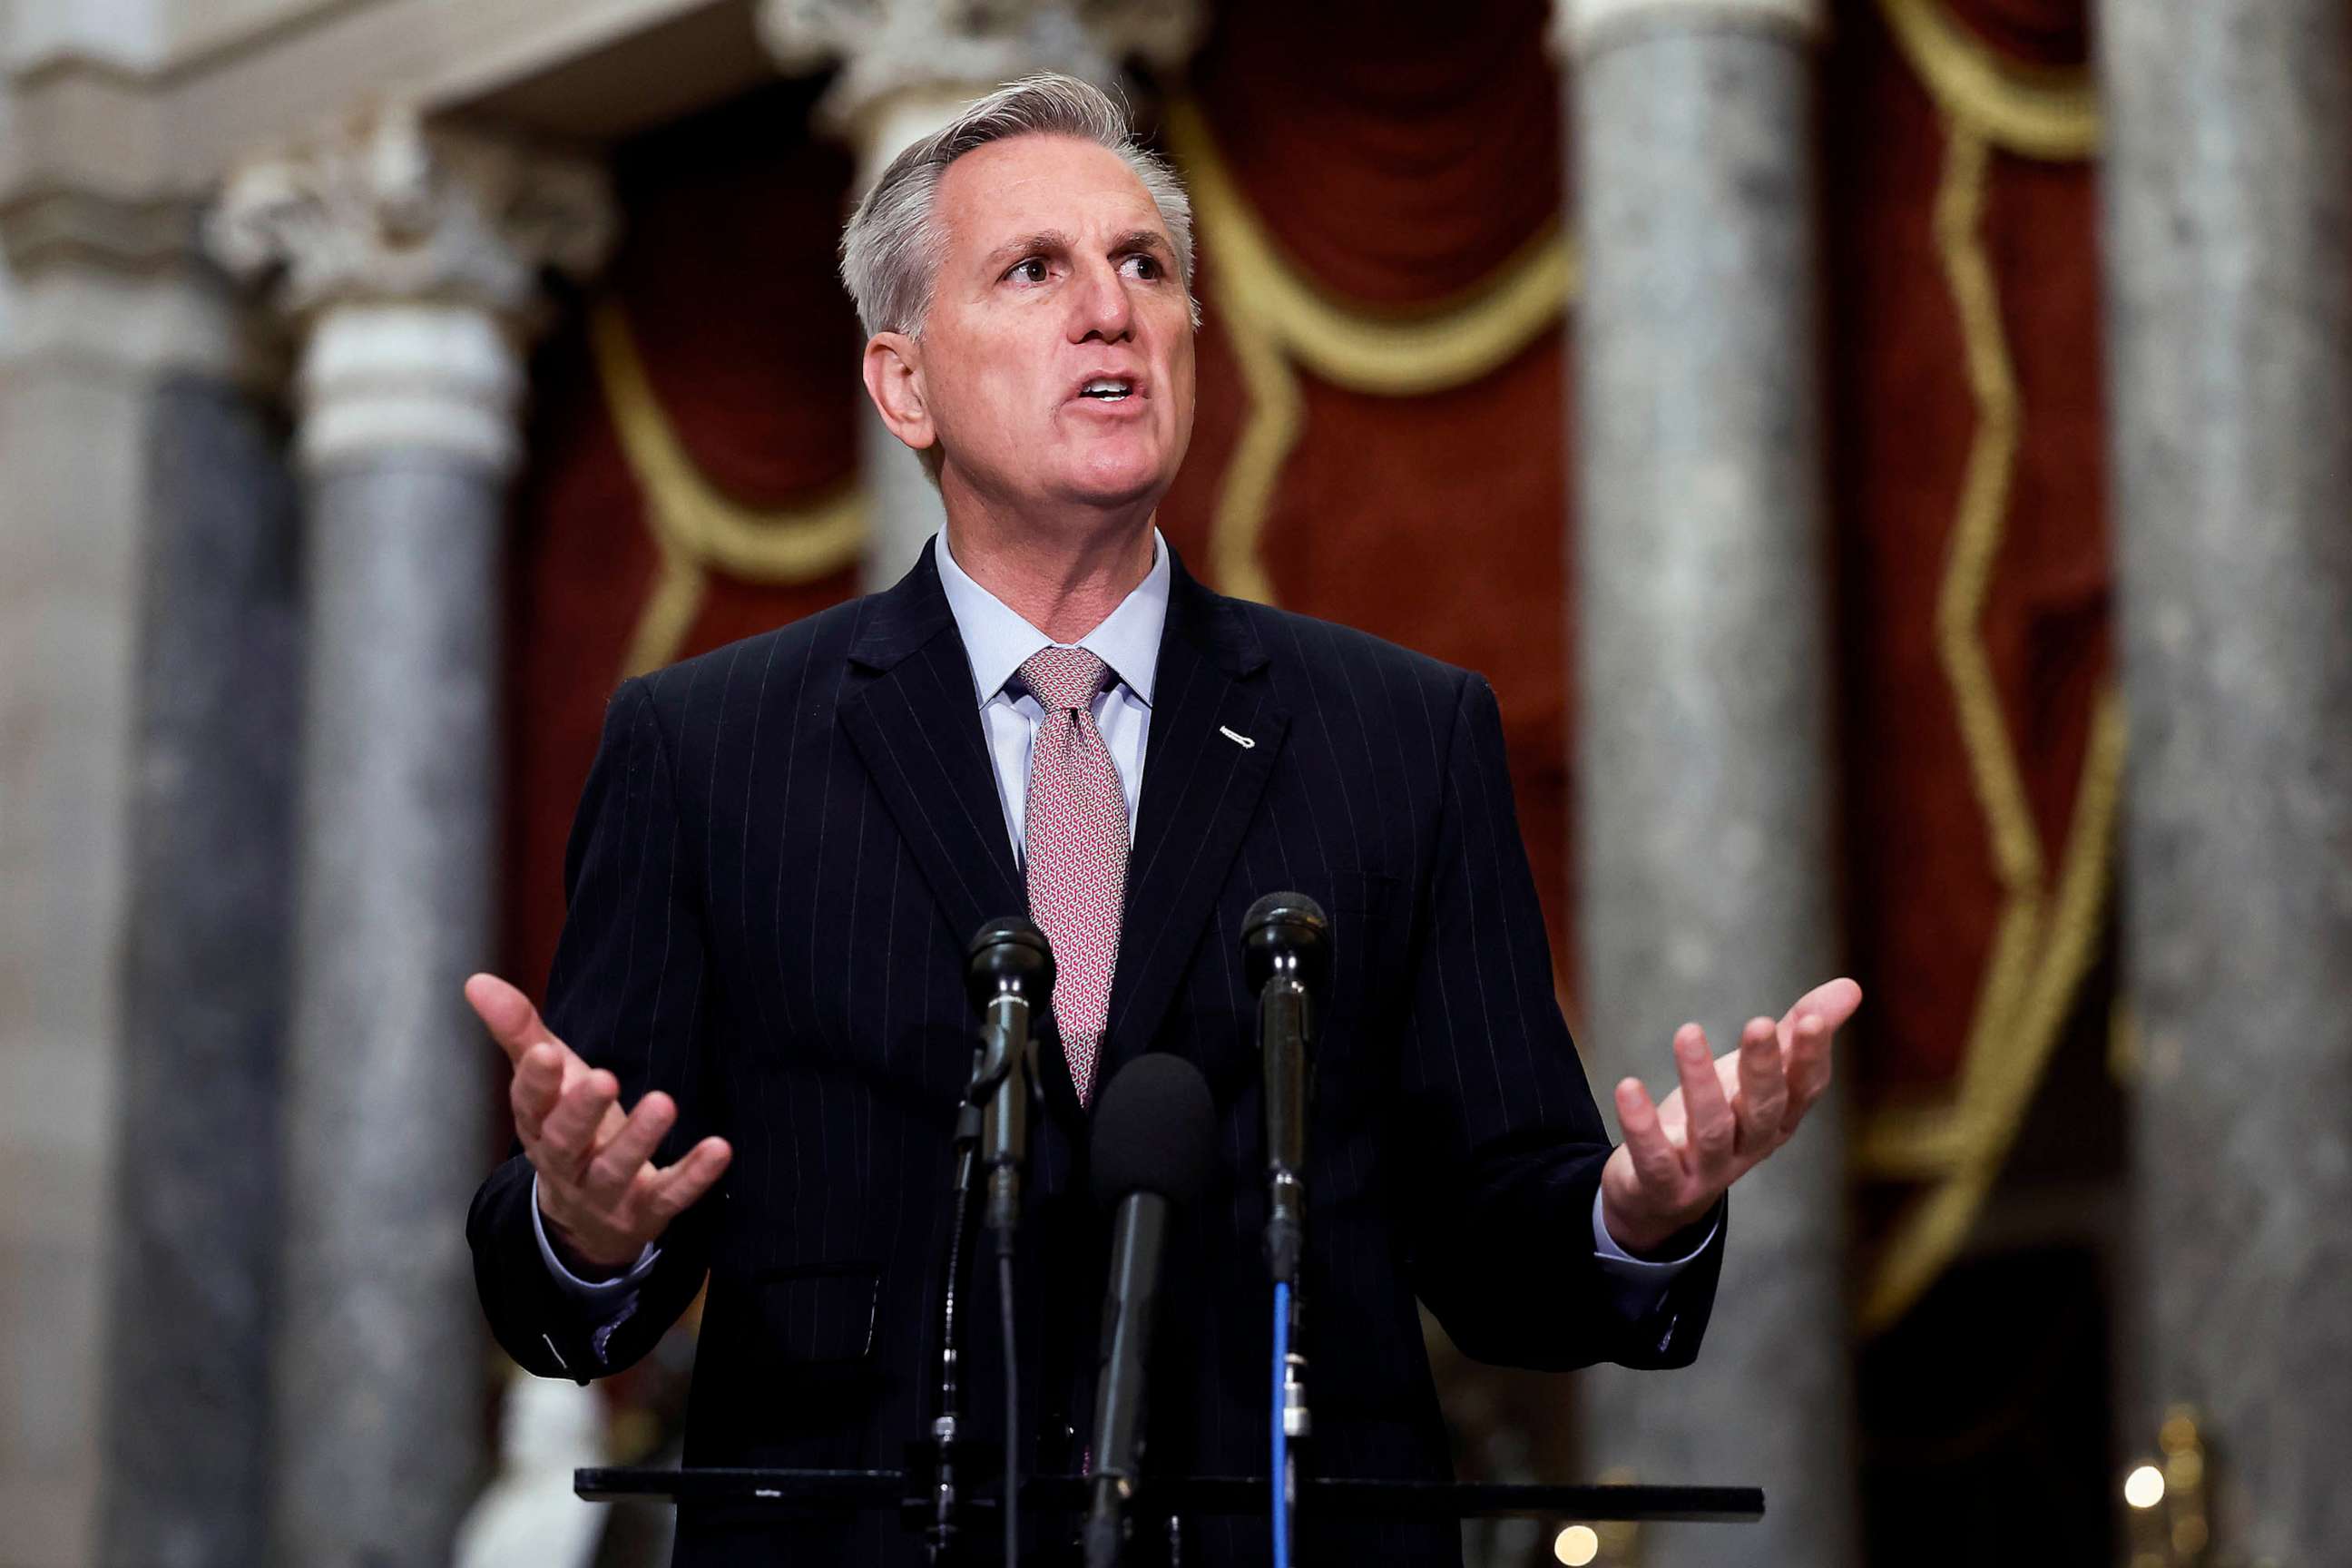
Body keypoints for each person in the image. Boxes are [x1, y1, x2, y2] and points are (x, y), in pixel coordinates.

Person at [465, 73, 1859, 1567]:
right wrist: (587, 1230)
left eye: (1146, 267)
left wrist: (1632, 1217)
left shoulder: (1401, 737)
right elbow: (575, 1273)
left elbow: (1500, 1247)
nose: (1111, 310)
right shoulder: (706, 751)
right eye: (1034, 271)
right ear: (905, 384)